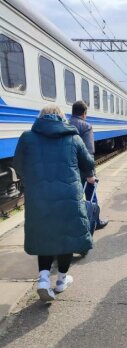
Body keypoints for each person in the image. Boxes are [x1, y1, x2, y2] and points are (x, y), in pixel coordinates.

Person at [13, 105, 95, 302]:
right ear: (61, 118)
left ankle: (43, 280)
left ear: (40, 117)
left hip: (39, 197)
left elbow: (18, 165)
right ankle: (61, 281)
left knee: (45, 236)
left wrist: (33, 181)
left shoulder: (27, 137)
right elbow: (89, 164)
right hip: (69, 195)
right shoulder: (73, 137)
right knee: (67, 237)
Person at [69, 101, 108, 230]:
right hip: (83, 169)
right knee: (91, 194)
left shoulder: (65, 124)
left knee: (73, 196)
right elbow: (88, 153)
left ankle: (75, 222)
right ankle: (95, 221)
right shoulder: (86, 126)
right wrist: (91, 174)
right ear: (84, 113)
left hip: (69, 168)